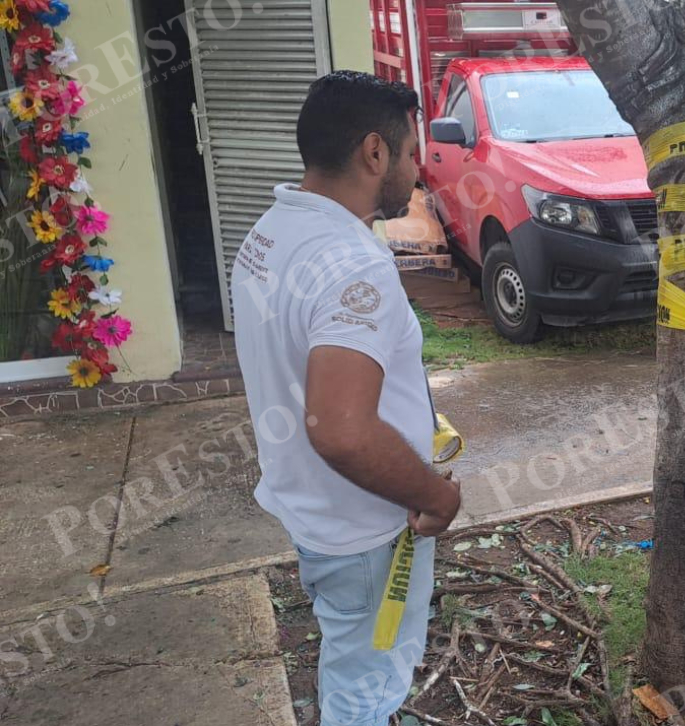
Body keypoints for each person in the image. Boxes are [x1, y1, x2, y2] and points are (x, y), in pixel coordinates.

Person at [230, 71, 462, 726]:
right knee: (367, 684)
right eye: (413, 151)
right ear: (374, 152)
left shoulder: (270, 235)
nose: (419, 168)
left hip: (318, 514)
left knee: (351, 658)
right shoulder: (350, 263)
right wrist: (434, 494)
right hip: (365, 530)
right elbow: (342, 430)